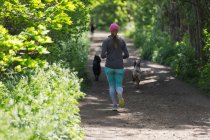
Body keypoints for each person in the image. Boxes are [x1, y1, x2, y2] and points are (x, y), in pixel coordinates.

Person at [101, 23, 129, 111]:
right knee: (118, 85)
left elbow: (102, 55)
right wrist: (120, 57)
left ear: (110, 30)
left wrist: (107, 56)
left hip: (109, 66)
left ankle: (114, 105)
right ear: (118, 30)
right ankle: (120, 94)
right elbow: (127, 55)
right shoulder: (122, 40)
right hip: (119, 67)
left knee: (112, 86)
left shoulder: (106, 41)